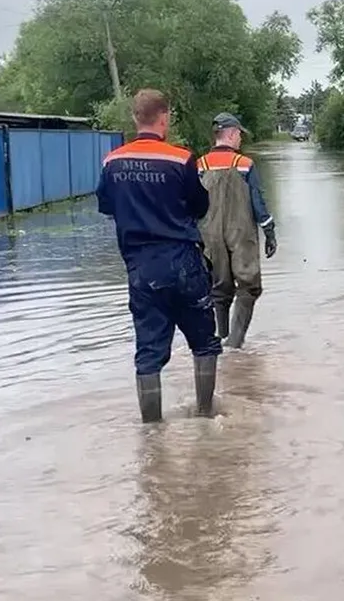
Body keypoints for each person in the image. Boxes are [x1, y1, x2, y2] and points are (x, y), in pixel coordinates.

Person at [97, 89, 222, 423]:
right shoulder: (181, 159)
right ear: (164, 117)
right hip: (182, 260)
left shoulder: (112, 161)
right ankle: (206, 416)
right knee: (204, 343)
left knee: (148, 354)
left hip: (140, 268)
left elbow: (106, 206)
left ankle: (151, 432)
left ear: (136, 117)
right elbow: (200, 207)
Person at [196, 112, 277, 349]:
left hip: (209, 234)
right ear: (231, 134)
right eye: (239, 134)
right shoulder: (245, 164)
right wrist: (269, 230)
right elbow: (257, 202)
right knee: (249, 286)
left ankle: (219, 340)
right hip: (241, 233)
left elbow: (190, 204)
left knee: (218, 289)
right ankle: (235, 343)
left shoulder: (199, 165)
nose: (241, 139)